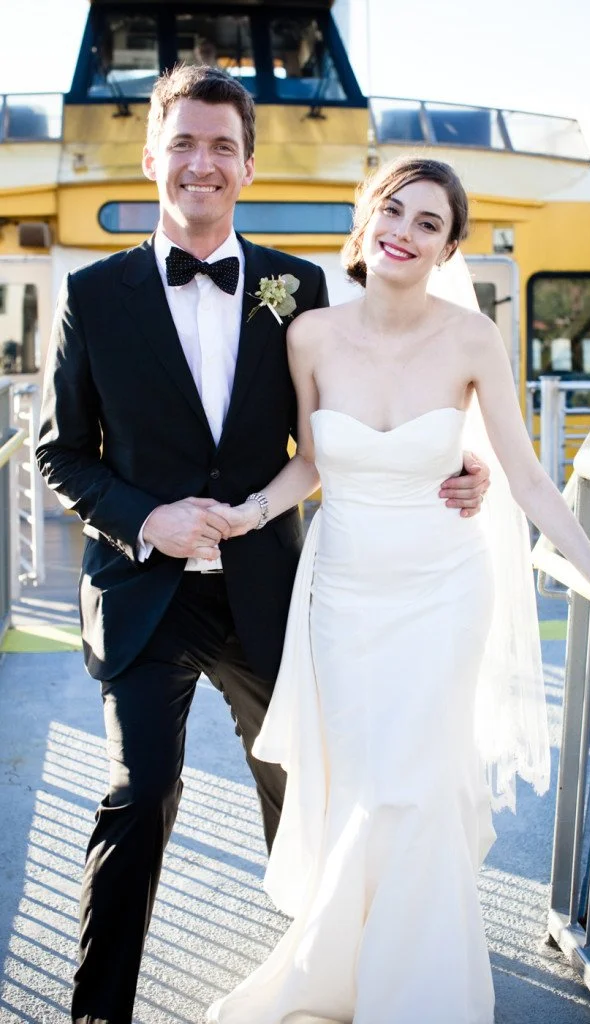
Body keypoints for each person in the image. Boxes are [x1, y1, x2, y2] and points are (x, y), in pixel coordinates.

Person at [35, 68, 489, 1024]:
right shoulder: (93, 295)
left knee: (304, 781)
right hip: (142, 589)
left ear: (246, 164)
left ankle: (331, 973)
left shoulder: (302, 288)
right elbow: (60, 453)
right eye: (185, 144)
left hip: (266, 590)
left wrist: (462, 464)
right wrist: (143, 517)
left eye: (223, 147)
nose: (203, 163)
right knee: (140, 788)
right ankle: (95, 1012)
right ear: (154, 156)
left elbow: (369, 415)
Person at [205, 156, 590, 1024]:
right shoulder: (309, 335)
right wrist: (246, 514)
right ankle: (344, 964)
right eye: (394, 211)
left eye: (428, 224)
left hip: (445, 591)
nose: (405, 233)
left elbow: (529, 478)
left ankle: (416, 992)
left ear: (450, 246)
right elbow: (308, 462)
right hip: (343, 593)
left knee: (412, 784)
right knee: (367, 782)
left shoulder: (470, 340)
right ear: (365, 217)